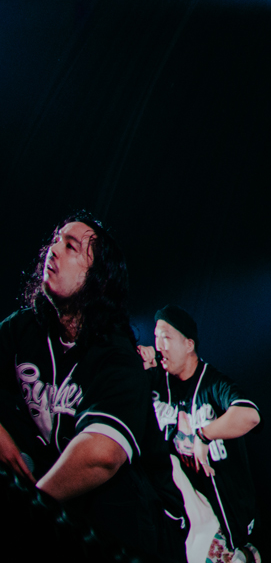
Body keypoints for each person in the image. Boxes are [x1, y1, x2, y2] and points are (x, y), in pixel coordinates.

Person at [0, 211, 185, 558]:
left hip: (143, 527)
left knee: (109, 487)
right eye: (55, 240)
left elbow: (100, 456)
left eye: (70, 246)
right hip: (65, 504)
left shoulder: (116, 356)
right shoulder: (24, 328)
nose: (53, 249)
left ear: (97, 279)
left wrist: (27, 511)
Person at [138, 305, 262, 561]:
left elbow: (250, 415)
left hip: (227, 514)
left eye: (166, 337)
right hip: (187, 516)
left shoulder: (213, 383)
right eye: (156, 337)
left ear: (188, 344)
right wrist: (142, 371)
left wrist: (204, 436)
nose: (158, 345)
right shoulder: (158, 381)